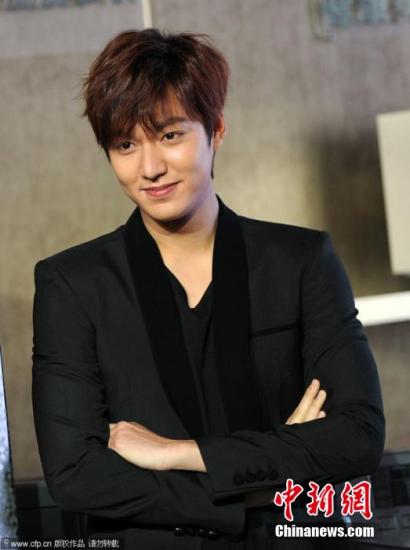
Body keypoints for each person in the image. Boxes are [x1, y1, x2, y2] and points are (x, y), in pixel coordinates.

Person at [32, 28, 385, 549]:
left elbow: (358, 436)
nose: (150, 168)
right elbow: (76, 474)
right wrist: (262, 485)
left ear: (216, 129)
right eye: (126, 145)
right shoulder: (73, 285)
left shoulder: (301, 261)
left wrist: (181, 453)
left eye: (170, 135)